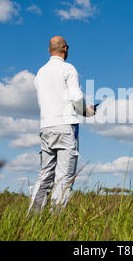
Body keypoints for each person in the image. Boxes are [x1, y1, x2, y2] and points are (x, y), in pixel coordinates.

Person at [28, 36, 95, 213]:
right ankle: (55, 221)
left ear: (49, 50)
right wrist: (86, 111)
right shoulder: (68, 68)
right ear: (65, 48)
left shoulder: (40, 72)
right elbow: (76, 97)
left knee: (44, 175)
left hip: (46, 128)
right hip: (65, 127)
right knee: (64, 178)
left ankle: (32, 218)